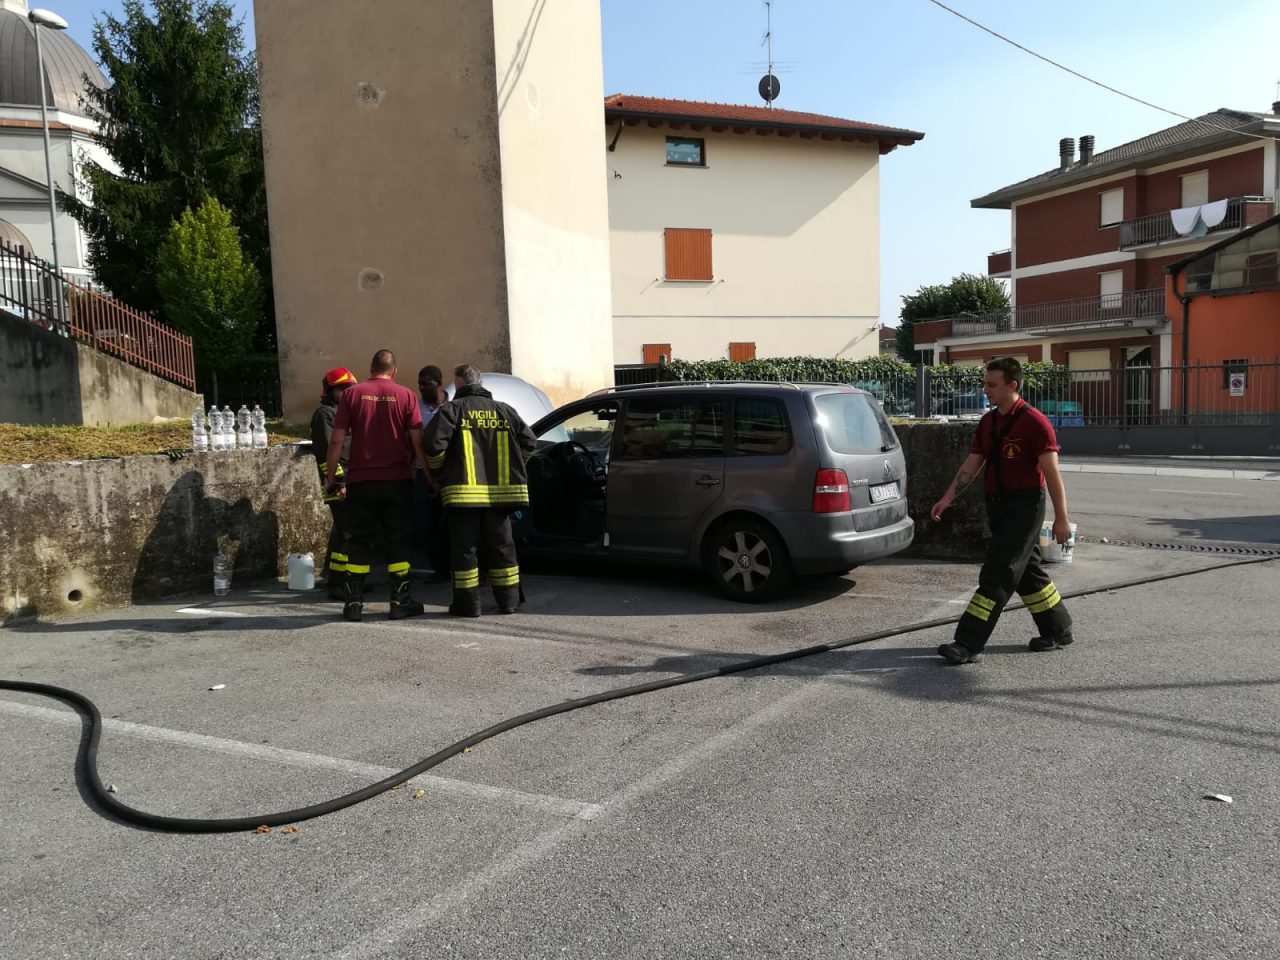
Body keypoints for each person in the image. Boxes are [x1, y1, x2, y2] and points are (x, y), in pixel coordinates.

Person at [930, 357, 1074, 664]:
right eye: (984, 384)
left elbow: (1052, 475)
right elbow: (972, 463)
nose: (986, 390)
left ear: (1013, 386)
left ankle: (967, 643)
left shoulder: (1035, 423)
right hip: (998, 505)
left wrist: (1062, 518)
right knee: (1027, 573)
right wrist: (947, 497)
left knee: (998, 572)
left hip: (1025, 506)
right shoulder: (988, 422)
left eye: (992, 385)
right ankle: (1058, 629)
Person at [422, 364, 537, 617]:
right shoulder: (505, 410)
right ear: (480, 383)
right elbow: (530, 442)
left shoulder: (452, 410)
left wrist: (441, 473)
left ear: (460, 384)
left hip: (463, 497)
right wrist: (517, 465)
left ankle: (468, 606)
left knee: (465, 551)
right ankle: (508, 602)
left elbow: (432, 445)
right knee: (502, 549)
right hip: (501, 496)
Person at [325, 349, 430, 622]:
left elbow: (336, 440)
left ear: (371, 369)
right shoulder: (406, 395)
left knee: (359, 542)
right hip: (397, 480)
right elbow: (417, 442)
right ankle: (399, 601)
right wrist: (429, 475)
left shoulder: (352, 395)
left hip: (361, 481)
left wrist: (331, 477)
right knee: (398, 542)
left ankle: (353, 604)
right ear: (394, 371)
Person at [310, 367, 358, 600]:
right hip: (337, 484)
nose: (348, 392)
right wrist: (338, 482)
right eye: (344, 388)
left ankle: (348, 579)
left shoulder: (343, 412)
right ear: (331, 390)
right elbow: (326, 452)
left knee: (346, 533)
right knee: (346, 534)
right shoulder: (325, 415)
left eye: (351, 388)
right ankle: (338, 583)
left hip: (351, 480)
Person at [413, 365, 450, 580]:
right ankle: (439, 569)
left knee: (453, 522)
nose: (422, 388)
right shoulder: (416, 408)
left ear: (438, 382)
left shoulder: (453, 405)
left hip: (449, 473)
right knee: (429, 523)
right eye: (420, 384)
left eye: (427, 384)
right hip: (423, 474)